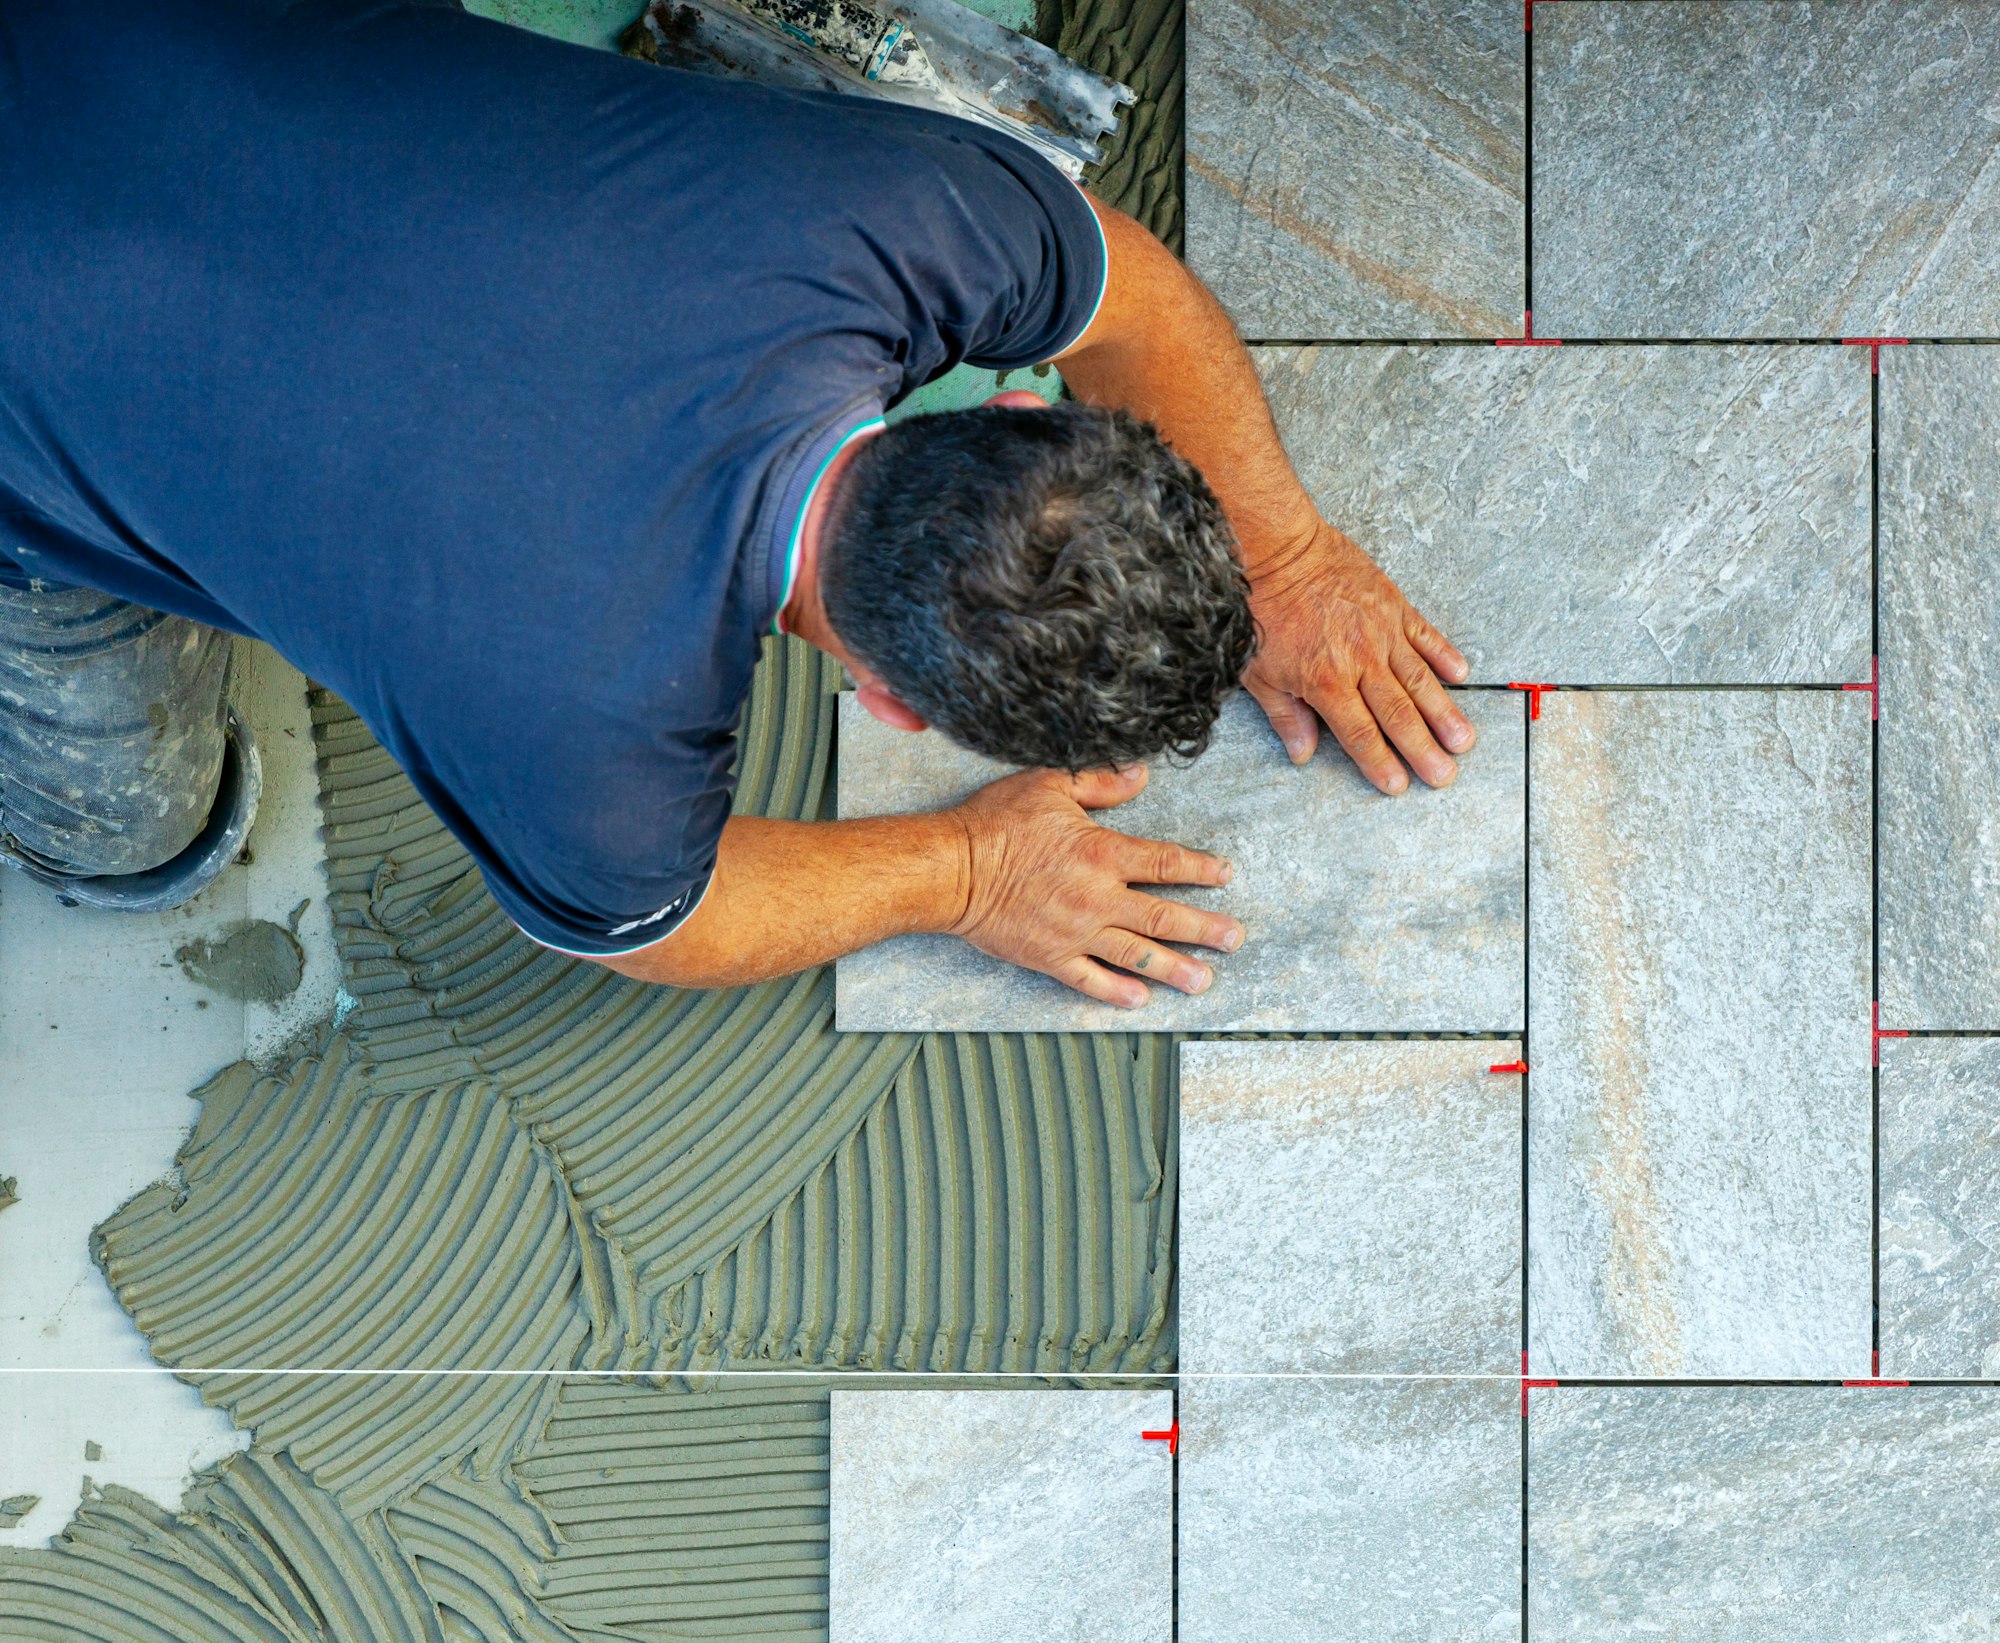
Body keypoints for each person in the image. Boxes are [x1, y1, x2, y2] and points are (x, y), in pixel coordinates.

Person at [0, 0, 1473, 1008]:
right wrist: (964, 870)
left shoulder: (892, 230)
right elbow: (667, 925)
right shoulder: (594, 727)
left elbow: (1126, 297)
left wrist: (1281, 550)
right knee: (139, 833)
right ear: (891, 702)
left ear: (1015, 409)